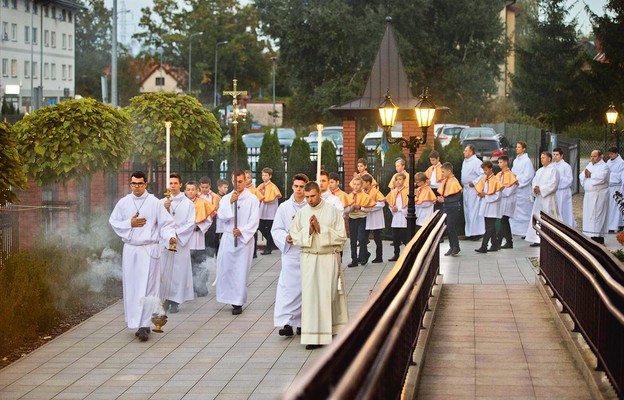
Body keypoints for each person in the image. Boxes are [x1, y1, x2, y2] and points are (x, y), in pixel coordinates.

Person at [109, 171, 176, 342]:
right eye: (133, 183)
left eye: (140, 183)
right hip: (131, 250)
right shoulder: (124, 202)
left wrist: (170, 237)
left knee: (149, 288)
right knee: (132, 288)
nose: (136, 186)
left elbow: (166, 224)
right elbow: (114, 221)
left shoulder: (154, 203)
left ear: (146, 184)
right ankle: (134, 321)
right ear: (130, 184)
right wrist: (128, 224)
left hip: (149, 250)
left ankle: (145, 325)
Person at [289, 181, 348, 350]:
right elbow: (294, 234)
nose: (309, 200)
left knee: (327, 295)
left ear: (319, 193)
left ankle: (332, 329)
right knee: (311, 297)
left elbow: (342, 237)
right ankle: (313, 336)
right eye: (306, 197)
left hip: (327, 258)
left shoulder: (332, 211)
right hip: (309, 259)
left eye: (312, 196)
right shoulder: (302, 213)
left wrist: (321, 229)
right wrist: (308, 231)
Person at [216, 170, 260, 315]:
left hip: (243, 241)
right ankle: (229, 296)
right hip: (229, 238)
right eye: (235, 182)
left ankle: (238, 302)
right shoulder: (226, 198)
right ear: (231, 180)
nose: (238, 184)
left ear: (245, 181)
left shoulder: (252, 199)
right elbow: (221, 217)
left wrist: (241, 230)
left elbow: (254, 221)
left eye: (240, 181)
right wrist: (230, 203)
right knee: (227, 269)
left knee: (240, 271)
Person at [272, 173, 309, 337]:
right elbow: (276, 229)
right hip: (290, 253)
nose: (299, 190)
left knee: (305, 288)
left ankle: (302, 322)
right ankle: (287, 323)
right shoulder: (284, 207)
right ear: (292, 187)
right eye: (296, 186)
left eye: (302, 187)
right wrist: (285, 238)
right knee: (288, 288)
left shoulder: (311, 206)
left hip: (306, 252)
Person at [160, 173, 196, 314]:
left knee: (178, 272)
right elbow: (159, 222)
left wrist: (176, 234)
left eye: (175, 183)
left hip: (180, 242)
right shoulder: (162, 202)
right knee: (165, 271)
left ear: (180, 185)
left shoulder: (188, 203)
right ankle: (165, 299)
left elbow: (190, 223)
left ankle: (175, 301)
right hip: (165, 242)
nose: (172, 186)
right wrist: (165, 207)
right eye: (170, 183)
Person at [185, 181, 216, 297]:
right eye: (188, 189)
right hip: (186, 239)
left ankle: (201, 287)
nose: (191, 191)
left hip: (198, 238)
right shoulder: (182, 204)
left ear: (197, 190)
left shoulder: (203, 203)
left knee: (200, 264)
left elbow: (209, 220)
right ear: (185, 191)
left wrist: (200, 226)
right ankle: (190, 287)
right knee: (188, 265)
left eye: (193, 189)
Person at [525, 152, 560, 247]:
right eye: (541, 158)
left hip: (548, 198)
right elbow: (534, 181)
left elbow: (553, 184)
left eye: (543, 158)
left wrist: (542, 189)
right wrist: (535, 189)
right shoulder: (539, 170)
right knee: (537, 216)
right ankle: (537, 238)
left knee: (548, 216)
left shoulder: (553, 170)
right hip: (539, 198)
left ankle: (549, 238)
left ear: (549, 159)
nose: (542, 159)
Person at [580, 150, 610, 244]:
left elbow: (602, 178)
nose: (592, 158)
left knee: (597, 215)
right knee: (589, 215)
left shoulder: (604, 166)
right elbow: (582, 175)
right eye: (591, 156)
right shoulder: (589, 165)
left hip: (598, 195)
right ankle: (589, 235)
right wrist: (585, 175)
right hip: (589, 195)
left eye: (594, 156)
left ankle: (597, 237)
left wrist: (591, 175)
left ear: (600, 156)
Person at [344, 176, 375, 267]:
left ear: (361, 185)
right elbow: (346, 208)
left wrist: (360, 207)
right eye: (354, 184)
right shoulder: (349, 196)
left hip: (362, 219)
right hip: (352, 219)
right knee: (352, 240)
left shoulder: (366, 196)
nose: (356, 186)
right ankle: (354, 259)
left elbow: (369, 209)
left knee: (361, 238)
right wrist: (351, 208)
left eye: (358, 185)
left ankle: (364, 254)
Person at [474, 161, 502, 253]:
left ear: (491, 169)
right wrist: (480, 194)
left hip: (493, 206)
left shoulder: (495, 180)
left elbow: (497, 195)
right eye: (484, 170)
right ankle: (494, 244)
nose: (485, 172)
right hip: (486, 205)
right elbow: (479, 190)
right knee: (490, 226)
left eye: (486, 170)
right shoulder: (483, 179)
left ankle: (484, 246)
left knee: (489, 227)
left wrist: (485, 196)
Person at [437, 163, 463, 256]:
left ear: (449, 171)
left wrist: (445, 200)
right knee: (448, 228)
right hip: (447, 206)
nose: (442, 174)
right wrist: (442, 199)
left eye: (443, 172)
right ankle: (452, 247)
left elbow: (457, 197)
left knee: (450, 227)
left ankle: (455, 247)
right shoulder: (446, 181)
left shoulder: (454, 181)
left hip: (454, 207)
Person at [510, 141, 535, 236]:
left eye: (519, 147)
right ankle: (516, 230)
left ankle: (525, 231)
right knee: (516, 210)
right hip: (516, 189)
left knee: (525, 211)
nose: (517, 149)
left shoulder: (527, 161)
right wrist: (513, 178)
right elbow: (512, 172)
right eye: (516, 147)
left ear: (524, 149)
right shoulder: (516, 161)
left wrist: (518, 179)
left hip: (523, 189)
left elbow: (528, 175)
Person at [461, 144, 485, 240]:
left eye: (466, 151)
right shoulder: (465, 161)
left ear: (471, 152)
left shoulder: (477, 162)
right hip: (466, 188)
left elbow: (482, 175)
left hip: (473, 189)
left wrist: (474, 182)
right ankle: (469, 232)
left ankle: (476, 233)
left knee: (473, 210)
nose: (464, 152)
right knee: (467, 211)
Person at [257, 167, 282, 255]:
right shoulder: (261, 186)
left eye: (266, 175)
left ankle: (268, 248)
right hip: (263, 211)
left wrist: (265, 196)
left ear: (270, 176)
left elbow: (271, 198)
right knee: (261, 227)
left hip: (271, 211)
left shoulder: (273, 187)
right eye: (263, 175)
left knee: (270, 229)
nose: (264, 177)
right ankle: (272, 243)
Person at [361, 174, 385, 263]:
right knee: (363, 238)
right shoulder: (362, 192)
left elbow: (382, 203)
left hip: (376, 218)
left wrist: (370, 207)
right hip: (366, 217)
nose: (361, 184)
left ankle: (379, 257)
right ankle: (364, 255)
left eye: (362, 183)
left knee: (377, 238)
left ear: (368, 183)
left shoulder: (375, 191)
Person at [496, 155, 518, 249]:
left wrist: (502, 190)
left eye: (501, 162)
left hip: (508, 201)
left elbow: (509, 192)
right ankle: (509, 241)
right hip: (501, 200)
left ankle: (498, 241)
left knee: (504, 219)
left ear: (505, 162)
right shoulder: (499, 175)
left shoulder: (511, 175)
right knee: (504, 220)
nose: (499, 164)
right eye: (498, 162)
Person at [386, 172, 408, 261]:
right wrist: (393, 209)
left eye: (400, 179)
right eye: (397, 180)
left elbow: (408, 204)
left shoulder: (407, 191)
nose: (398, 181)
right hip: (396, 218)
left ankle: (407, 254)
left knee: (405, 238)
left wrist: (399, 209)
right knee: (395, 239)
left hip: (404, 217)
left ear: (404, 180)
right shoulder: (393, 192)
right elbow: (390, 204)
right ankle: (396, 254)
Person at [552, 148, 576, 228]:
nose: (555, 156)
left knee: (564, 210)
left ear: (561, 156)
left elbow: (569, 180)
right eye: (554, 154)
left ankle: (567, 225)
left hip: (563, 191)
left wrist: (559, 179)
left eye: (557, 155)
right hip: (555, 191)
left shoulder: (566, 166)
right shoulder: (552, 166)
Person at [245, 170, 264, 258]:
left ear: (251, 179)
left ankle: (254, 252)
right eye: (244, 178)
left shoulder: (255, 191)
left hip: (252, 214)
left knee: (253, 233)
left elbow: (258, 201)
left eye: (248, 178)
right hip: (244, 216)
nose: (246, 180)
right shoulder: (242, 190)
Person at [199, 176, 221, 253]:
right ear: (199, 186)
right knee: (200, 240)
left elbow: (215, 210)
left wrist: (207, 220)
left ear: (210, 186)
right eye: (202, 187)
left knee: (211, 240)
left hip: (211, 221)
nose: (204, 189)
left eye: (206, 187)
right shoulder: (197, 195)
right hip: (199, 220)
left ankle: (210, 259)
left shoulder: (214, 196)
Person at [606, 146, 624, 232]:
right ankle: (612, 224)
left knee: (617, 207)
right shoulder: (609, 162)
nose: (610, 155)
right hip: (609, 187)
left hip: (617, 187)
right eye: (609, 154)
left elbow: (621, 175)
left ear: (616, 153)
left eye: (612, 154)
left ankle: (616, 225)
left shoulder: (621, 162)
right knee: (610, 207)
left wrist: (612, 176)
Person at [214, 179, 229, 254]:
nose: (226, 189)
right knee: (216, 238)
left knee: (225, 238)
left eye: (227, 187)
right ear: (219, 188)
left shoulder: (228, 197)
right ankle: (217, 253)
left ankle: (224, 252)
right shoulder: (216, 197)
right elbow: (215, 208)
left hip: (225, 220)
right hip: (218, 220)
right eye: (224, 187)